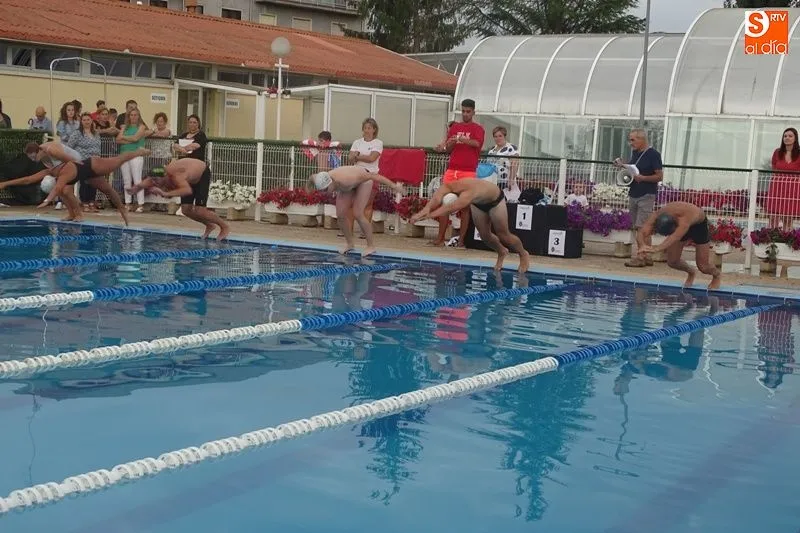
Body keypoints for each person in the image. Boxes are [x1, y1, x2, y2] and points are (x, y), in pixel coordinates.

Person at [0, 143, 145, 225]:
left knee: (117, 164)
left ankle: (138, 152)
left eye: (33, 156)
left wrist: (47, 201)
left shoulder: (51, 151)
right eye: (30, 158)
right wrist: (5, 183)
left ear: (39, 150)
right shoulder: (49, 169)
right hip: (73, 170)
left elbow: (68, 160)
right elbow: (28, 179)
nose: (33, 160)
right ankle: (73, 214)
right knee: (65, 190)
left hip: (84, 164)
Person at [410, 178, 530, 273]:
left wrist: (427, 216)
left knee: (503, 235)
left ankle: (523, 254)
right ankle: (501, 251)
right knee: (485, 236)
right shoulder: (450, 186)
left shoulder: (467, 195)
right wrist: (425, 210)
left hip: (495, 201)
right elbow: (437, 198)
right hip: (478, 204)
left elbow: (450, 208)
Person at [310, 165, 404, 257]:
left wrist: (394, 186)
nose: (324, 193)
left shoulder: (347, 178)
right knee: (340, 215)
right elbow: (311, 177)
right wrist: (307, 189)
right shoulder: (319, 178)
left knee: (358, 213)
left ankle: (370, 246)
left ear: (332, 182)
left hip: (364, 182)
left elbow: (374, 176)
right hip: (347, 187)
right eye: (321, 190)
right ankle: (350, 244)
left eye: (325, 189)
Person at [127, 158, 231, 241]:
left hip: (201, 173)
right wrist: (135, 188)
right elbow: (147, 181)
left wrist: (165, 193)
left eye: (157, 180)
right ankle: (209, 225)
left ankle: (224, 226)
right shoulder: (159, 174)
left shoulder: (177, 176)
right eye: (153, 180)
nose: (155, 183)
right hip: (189, 178)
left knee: (200, 210)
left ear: (165, 176)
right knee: (186, 210)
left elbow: (187, 190)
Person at [430, 99, 485, 247]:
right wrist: (445, 145)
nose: (465, 114)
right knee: (444, 203)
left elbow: (477, 143)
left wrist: (461, 138)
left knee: (464, 206)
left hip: (467, 172)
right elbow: (448, 149)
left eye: (468, 111)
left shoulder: (477, 128)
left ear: (473, 112)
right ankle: (440, 239)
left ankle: (461, 240)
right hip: (452, 170)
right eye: (463, 111)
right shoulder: (455, 128)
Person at [636, 201, 721, 289]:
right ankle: (691, 271)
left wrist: (656, 249)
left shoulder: (684, 219)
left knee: (703, 267)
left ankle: (717, 275)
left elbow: (674, 237)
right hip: (679, 225)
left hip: (699, 226)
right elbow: (641, 232)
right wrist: (642, 245)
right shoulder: (657, 215)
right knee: (672, 262)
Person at [614, 128, 663, 268]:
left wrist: (644, 178)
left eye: (633, 140)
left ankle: (640, 256)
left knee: (642, 227)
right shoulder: (636, 153)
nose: (630, 143)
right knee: (639, 226)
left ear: (642, 139)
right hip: (634, 192)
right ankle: (647, 255)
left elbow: (659, 176)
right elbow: (633, 169)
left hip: (646, 194)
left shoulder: (653, 155)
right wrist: (622, 165)